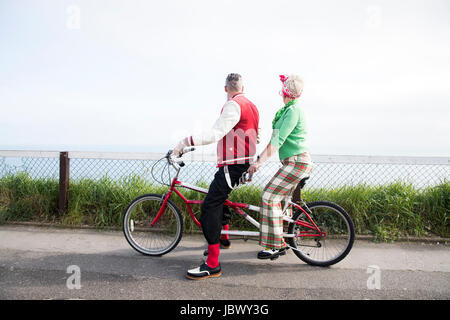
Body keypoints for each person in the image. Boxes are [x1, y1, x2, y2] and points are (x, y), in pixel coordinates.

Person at [173, 73, 260, 280]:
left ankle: (212, 264)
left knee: (210, 206)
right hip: (243, 161)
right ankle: (224, 238)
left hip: (234, 164)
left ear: (225, 89)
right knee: (220, 199)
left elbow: (214, 134)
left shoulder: (233, 105)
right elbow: (256, 133)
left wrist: (184, 142)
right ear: (242, 86)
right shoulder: (251, 105)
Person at [248, 74, 313, 260]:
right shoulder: (288, 110)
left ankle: (276, 245)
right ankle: (284, 236)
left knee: (268, 196)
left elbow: (278, 140)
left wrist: (259, 162)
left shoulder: (293, 111)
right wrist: (259, 157)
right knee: (283, 204)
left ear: (285, 91)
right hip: (292, 162)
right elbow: (274, 141)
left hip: (297, 162)